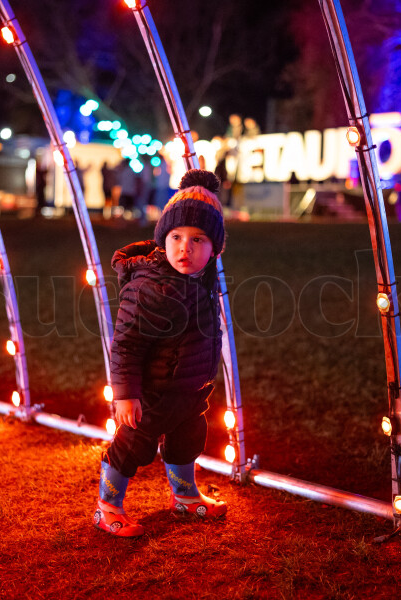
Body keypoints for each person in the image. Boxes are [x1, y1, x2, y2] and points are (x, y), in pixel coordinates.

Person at [93, 169, 228, 537]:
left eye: (198, 239)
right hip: (152, 394)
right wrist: (126, 394)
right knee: (133, 445)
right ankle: (107, 506)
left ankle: (184, 496)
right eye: (176, 236)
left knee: (188, 439)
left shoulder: (200, 280)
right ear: (162, 239)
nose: (186, 247)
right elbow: (127, 342)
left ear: (214, 248)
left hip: (187, 390)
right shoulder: (153, 287)